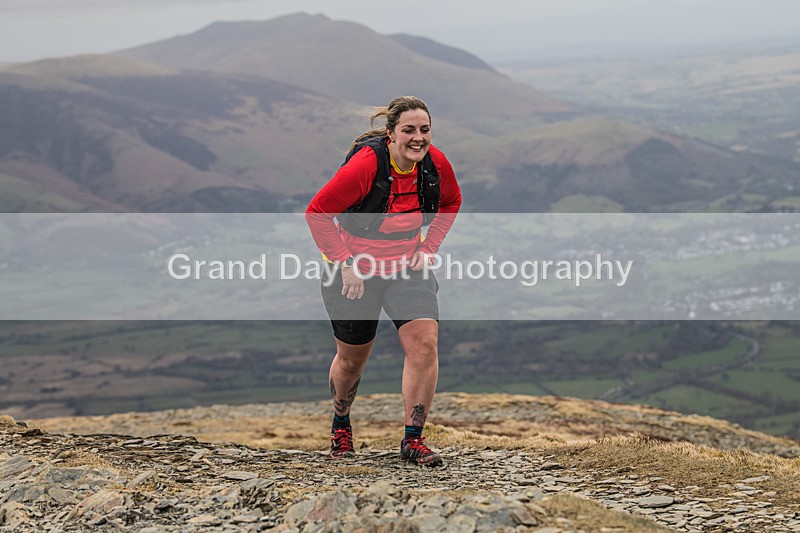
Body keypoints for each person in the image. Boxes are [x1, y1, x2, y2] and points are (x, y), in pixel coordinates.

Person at [305, 96, 461, 466]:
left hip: (407, 265)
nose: (418, 138)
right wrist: (346, 264)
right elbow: (317, 213)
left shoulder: (434, 163)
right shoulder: (365, 166)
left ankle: (413, 440)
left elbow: (451, 202)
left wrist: (430, 247)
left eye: (424, 130)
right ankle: (341, 424)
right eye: (409, 130)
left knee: (425, 342)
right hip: (351, 270)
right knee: (351, 360)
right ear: (391, 134)